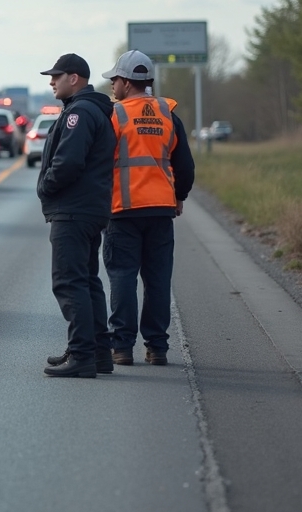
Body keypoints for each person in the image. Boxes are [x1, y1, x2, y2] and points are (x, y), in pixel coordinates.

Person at [101, 51, 195, 366]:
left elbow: (100, 164)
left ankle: (122, 348)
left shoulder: (115, 116)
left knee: (123, 277)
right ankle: (157, 348)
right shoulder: (169, 114)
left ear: (127, 82)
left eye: (114, 79)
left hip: (123, 210)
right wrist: (179, 195)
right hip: (161, 211)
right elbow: (185, 165)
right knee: (157, 280)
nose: (112, 85)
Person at [37, 53, 116, 378]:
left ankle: (82, 355)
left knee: (68, 282)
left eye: (57, 76)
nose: (51, 81)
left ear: (75, 78)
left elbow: (69, 162)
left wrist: (46, 187)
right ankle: (98, 352)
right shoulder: (89, 109)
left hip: (73, 209)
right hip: (89, 208)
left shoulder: (79, 113)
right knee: (87, 281)